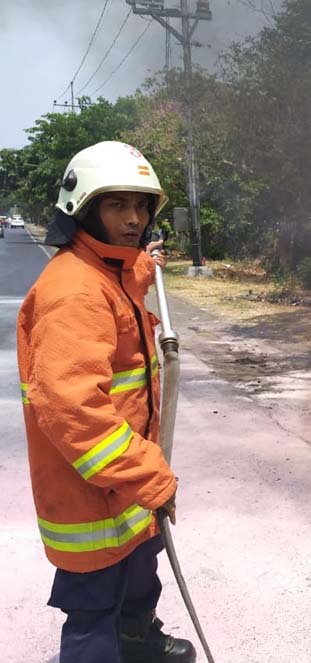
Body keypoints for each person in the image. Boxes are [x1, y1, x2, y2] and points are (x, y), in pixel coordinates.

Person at [16, 141, 196, 663]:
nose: (134, 218)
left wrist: (138, 272)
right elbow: (75, 411)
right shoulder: (73, 292)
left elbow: (116, 308)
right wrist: (149, 474)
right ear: (83, 208)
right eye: (117, 205)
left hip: (124, 487)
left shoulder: (107, 276)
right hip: (92, 497)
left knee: (140, 574)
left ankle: (139, 641)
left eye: (141, 205)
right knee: (95, 611)